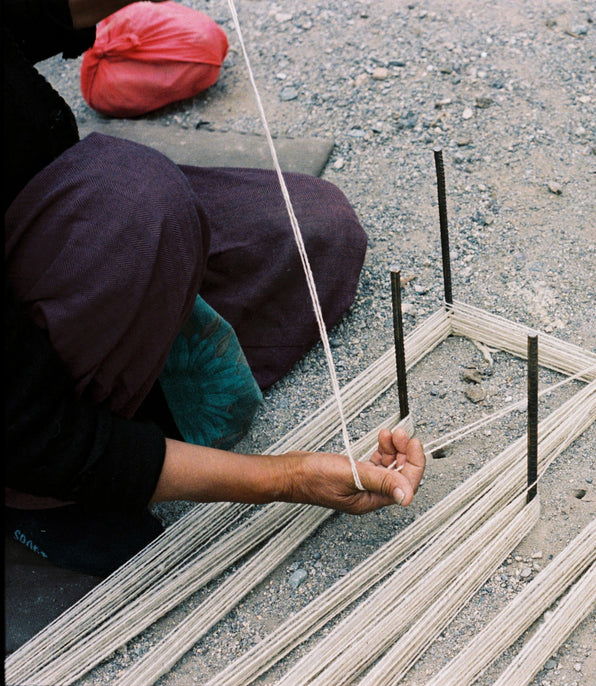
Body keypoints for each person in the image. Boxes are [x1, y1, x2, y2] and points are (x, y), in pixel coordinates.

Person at [4, 0, 425, 577]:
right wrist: (287, 476)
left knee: (313, 231)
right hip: (19, 413)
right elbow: (26, 429)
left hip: (45, 225)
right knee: (137, 200)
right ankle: (44, 493)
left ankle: (120, 385)